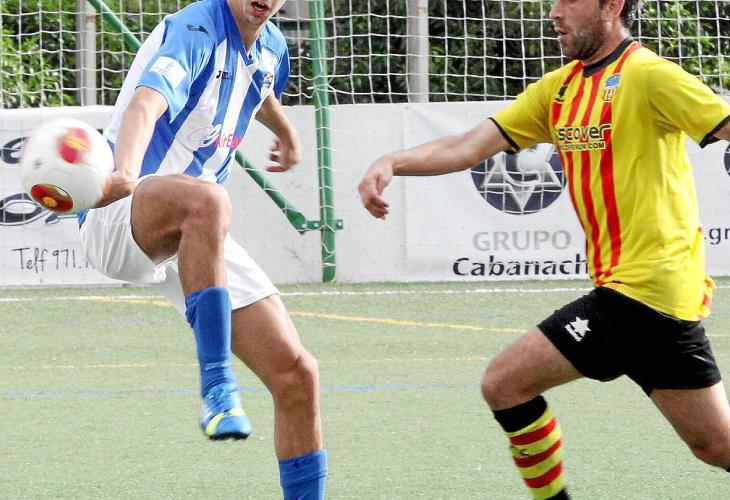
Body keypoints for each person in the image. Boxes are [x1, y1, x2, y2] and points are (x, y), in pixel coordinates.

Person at [359, 0, 730, 498]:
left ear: (612, 6)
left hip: (645, 289)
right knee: (715, 446)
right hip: (658, 298)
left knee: (504, 383)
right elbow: (466, 147)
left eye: (569, 0)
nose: (554, 12)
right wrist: (391, 162)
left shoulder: (649, 74)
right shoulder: (558, 89)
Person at [78, 0, 327, 497]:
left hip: (196, 229)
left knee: (298, 375)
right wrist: (124, 172)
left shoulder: (272, 46)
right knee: (209, 200)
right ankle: (217, 386)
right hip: (122, 211)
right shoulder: (196, 28)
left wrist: (286, 131)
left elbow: (259, 89)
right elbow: (146, 102)